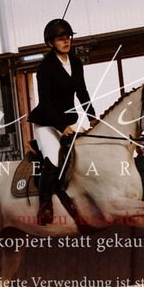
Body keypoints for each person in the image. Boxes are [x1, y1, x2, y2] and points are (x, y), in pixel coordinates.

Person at [27, 18, 96, 225]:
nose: (66, 41)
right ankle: (45, 206)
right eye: (60, 38)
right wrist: (61, 126)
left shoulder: (75, 62)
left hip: (70, 119)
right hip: (47, 122)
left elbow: (82, 93)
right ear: (50, 43)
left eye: (68, 37)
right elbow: (45, 103)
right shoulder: (45, 68)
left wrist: (92, 118)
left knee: (88, 151)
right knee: (53, 159)